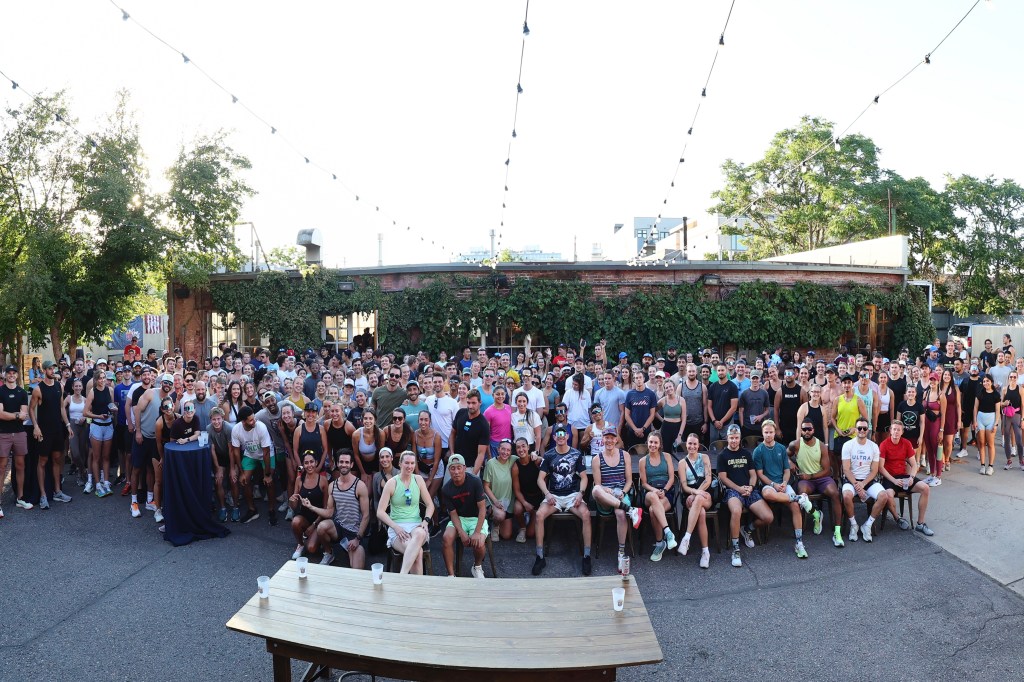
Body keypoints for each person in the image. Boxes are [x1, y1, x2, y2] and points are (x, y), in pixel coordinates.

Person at [532, 424, 592, 576]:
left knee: (586, 515)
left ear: (567, 437)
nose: (560, 437)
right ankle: (539, 557)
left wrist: (581, 493)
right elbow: (540, 479)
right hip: (555, 496)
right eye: (557, 435)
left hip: (572, 495)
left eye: (563, 434)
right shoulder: (549, 455)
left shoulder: (576, 454)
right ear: (554, 437)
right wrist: (547, 494)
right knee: (539, 515)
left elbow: (584, 477)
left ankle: (586, 556)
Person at [753, 420, 812, 558]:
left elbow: (787, 470)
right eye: (766, 432)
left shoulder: (781, 448)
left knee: (796, 507)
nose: (768, 435)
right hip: (769, 486)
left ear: (774, 433)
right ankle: (798, 497)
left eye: (771, 432)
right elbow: (760, 475)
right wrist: (774, 485)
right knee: (768, 493)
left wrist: (785, 483)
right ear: (762, 433)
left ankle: (799, 542)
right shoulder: (758, 451)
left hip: (783, 484)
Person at [718, 424, 773, 568]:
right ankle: (736, 549)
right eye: (731, 438)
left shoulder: (746, 454)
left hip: (749, 490)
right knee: (736, 511)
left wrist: (751, 487)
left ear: (740, 438)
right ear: (727, 438)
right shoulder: (722, 456)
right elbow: (723, 478)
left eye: (736, 438)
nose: (734, 441)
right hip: (733, 491)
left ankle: (747, 529)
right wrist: (739, 489)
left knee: (768, 517)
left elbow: (753, 474)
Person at [306, 451, 371, 567]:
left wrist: (357, 538)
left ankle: (352, 548)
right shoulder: (333, 486)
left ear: (351, 465)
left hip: (354, 532)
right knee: (321, 527)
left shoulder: (360, 485)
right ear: (337, 464)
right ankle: (329, 552)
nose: (344, 464)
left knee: (357, 570)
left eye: (347, 462)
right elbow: (330, 512)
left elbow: (366, 515)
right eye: (341, 462)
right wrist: (311, 507)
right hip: (339, 528)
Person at [789, 417, 845, 548]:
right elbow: (786, 454)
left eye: (809, 429)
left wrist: (811, 475)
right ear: (801, 431)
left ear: (813, 430)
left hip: (821, 477)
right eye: (804, 429)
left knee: (835, 494)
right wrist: (790, 462)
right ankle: (816, 514)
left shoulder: (821, 446)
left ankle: (837, 532)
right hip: (805, 480)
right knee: (802, 494)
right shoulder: (795, 444)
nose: (807, 431)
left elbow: (827, 470)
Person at [591, 426, 643, 564]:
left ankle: (621, 552)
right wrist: (606, 490)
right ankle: (631, 510)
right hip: (606, 496)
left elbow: (629, 480)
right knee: (596, 490)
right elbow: (598, 484)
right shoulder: (597, 459)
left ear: (616, 439)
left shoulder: (624, 455)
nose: (609, 440)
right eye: (606, 437)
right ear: (603, 439)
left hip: (620, 493)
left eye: (612, 438)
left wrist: (623, 492)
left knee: (620, 514)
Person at [376, 451, 434, 574]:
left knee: (421, 533)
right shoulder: (392, 483)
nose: (410, 466)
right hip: (398, 526)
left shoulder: (418, 480)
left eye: (412, 463)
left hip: (416, 524)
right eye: (406, 463)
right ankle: (415, 590)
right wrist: (396, 527)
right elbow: (380, 512)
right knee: (417, 552)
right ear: (400, 463)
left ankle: (402, 576)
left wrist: (426, 521)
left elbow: (430, 505)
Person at [31, 360, 73, 510]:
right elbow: (31, 409)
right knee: (42, 461)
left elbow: (62, 407)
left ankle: (57, 492)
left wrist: (67, 425)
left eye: (53, 368)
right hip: (44, 431)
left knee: (57, 459)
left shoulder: (59, 386)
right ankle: (43, 495)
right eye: (49, 368)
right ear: (44, 371)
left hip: (57, 430)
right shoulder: (38, 389)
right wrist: (35, 427)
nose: (52, 371)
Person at [878, 420, 933, 536]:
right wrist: (894, 480)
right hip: (890, 478)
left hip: (904, 476)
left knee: (926, 488)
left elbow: (914, 464)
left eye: (899, 430)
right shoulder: (884, 444)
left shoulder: (906, 443)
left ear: (902, 432)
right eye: (894, 429)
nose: (896, 432)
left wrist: (912, 477)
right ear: (890, 431)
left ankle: (920, 523)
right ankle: (898, 518)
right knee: (888, 495)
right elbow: (880, 468)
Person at [840, 417, 890, 542]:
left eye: (864, 428)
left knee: (884, 496)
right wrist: (857, 485)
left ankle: (867, 525)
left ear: (868, 430)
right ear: (855, 429)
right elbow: (846, 469)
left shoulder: (874, 447)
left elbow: (874, 470)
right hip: (851, 479)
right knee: (846, 495)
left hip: (868, 480)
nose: (862, 430)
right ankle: (853, 524)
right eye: (859, 428)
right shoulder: (847, 445)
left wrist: (863, 484)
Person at [441, 453, 489, 578]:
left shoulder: (475, 481)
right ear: (449, 470)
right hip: (460, 518)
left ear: (464, 468)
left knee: (479, 542)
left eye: (459, 467)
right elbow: (453, 513)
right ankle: (451, 575)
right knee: (447, 537)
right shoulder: (446, 489)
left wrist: (477, 532)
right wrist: (461, 532)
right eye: (452, 468)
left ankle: (477, 566)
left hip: (476, 517)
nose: (456, 471)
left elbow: (482, 509)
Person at [231, 405, 276, 525]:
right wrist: (241, 473)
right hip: (250, 454)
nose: (254, 420)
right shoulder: (236, 429)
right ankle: (252, 509)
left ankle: (271, 510)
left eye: (254, 417)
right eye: (250, 420)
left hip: (266, 454)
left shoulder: (260, 427)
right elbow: (235, 451)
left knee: (269, 481)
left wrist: (267, 474)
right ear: (243, 421)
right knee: (244, 480)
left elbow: (266, 452)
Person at [638, 430, 677, 561]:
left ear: (660, 444)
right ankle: (668, 532)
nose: (653, 445)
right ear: (647, 443)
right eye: (650, 442)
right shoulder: (643, 461)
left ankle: (660, 543)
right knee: (653, 499)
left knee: (653, 510)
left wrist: (665, 490)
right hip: (650, 492)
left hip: (666, 492)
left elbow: (672, 478)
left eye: (655, 442)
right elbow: (643, 483)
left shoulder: (666, 456)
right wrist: (654, 490)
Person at [676, 433, 712, 567]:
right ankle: (705, 552)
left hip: (705, 493)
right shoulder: (682, 463)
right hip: (690, 494)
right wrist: (695, 492)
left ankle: (687, 538)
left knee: (699, 502)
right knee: (701, 513)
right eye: (690, 443)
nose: (692, 446)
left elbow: (708, 479)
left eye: (695, 444)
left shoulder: (705, 458)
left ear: (698, 445)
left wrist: (698, 494)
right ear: (686, 445)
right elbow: (684, 486)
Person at [287, 451, 330, 560]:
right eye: (306, 463)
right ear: (303, 464)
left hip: (319, 519)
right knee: (295, 522)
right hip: (304, 517)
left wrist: (314, 525)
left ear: (316, 463)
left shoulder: (323, 480)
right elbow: (294, 506)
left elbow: (326, 508)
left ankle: (320, 541)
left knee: (311, 549)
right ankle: (300, 544)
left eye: (311, 462)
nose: (309, 465)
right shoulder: (299, 480)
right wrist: (291, 501)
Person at [0, 364, 31, 513]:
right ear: (5, 375)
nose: (11, 375)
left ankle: (20, 498)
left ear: (17, 375)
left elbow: (24, 415)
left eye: (14, 372)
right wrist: (16, 415)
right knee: (2, 467)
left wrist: (11, 415)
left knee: (20, 466)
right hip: (3, 434)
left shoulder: (22, 392)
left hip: (19, 433)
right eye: (9, 372)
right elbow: (0, 414)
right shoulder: (0, 391)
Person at [207, 407, 238, 522]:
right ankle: (223, 508)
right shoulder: (208, 429)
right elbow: (212, 450)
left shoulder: (229, 428)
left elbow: (231, 450)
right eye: (214, 419)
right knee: (218, 480)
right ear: (210, 420)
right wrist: (218, 468)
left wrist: (232, 469)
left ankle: (236, 507)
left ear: (223, 418)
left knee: (233, 479)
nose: (216, 422)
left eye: (219, 419)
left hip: (232, 455)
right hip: (219, 456)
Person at [449, 390, 490, 475]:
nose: (470, 406)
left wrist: (473, 475)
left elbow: (481, 454)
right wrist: (452, 453)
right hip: (454, 463)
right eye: (468, 402)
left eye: (474, 403)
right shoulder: (460, 413)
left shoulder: (484, 424)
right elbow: (452, 433)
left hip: (470, 467)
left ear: (480, 403)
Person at [483, 439, 516, 542]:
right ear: (498, 449)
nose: (505, 452)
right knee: (500, 515)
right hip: (494, 501)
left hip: (507, 503)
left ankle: (500, 521)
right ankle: (495, 524)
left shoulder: (513, 460)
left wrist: (535, 455)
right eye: (503, 449)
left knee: (506, 535)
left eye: (508, 450)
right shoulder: (491, 464)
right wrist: (495, 501)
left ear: (511, 452)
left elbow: (526, 458)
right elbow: (486, 486)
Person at [511, 437, 543, 543]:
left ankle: (534, 515)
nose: (521, 450)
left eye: (523, 446)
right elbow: (516, 490)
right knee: (517, 508)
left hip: (538, 496)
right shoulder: (516, 466)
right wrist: (525, 503)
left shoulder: (536, 461)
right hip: (524, 496)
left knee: (531, 534)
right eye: (518, 447)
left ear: (528, 447)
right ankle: (522, 527)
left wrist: (538, 456)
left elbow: (547, 466)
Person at [623, 369, 657, 450]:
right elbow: (626, 415)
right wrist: (635, 429)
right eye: (636, 378)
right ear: (634, 380)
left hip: (646, 431)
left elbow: (652, 414)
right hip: (632, 431)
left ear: (644, 378)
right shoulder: (630, 394)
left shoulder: (651, 394)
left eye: (640, 377)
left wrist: (643, 429)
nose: (638, 380)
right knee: (633, 455)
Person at [974, 375, 999, 475]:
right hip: (980, 418)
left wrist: (996, 424)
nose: (985, 383)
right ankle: (983, 465)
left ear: (991, 382)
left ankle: (990, 466)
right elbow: (975, 408)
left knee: (990, 443)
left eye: (987, 381)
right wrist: (975, 421)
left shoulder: (996, 395)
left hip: (991, 419)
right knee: (981, 443)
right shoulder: (980, 393)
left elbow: (998, 411)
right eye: (984, 381)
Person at [707, 364, 739, 443]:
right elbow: (709, 406)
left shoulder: (732, 387)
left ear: (727, 371)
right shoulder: (712, 387)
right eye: (719, 370)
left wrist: (721, 421)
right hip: (713, 424)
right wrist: (714, 421)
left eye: (722, 370)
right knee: (713, 446)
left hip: (727, 423)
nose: (720, 372)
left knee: (728, 445)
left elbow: (734, 407)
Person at [1000, 371, 1024, 471]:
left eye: (1015, 377)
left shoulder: (1021, 389)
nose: (1013, 379)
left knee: (1018, 439)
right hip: (1006, 416)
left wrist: (1023, 419)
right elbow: (1000, 403)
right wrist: (1004, 403)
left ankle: (1021, 460)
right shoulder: (1005, 389)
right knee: (1006, 439)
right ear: (1008, 377)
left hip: (1017, 415)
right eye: (1011, 377)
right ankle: (1009, 460)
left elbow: (1023, 405)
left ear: (1017, 378)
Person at [738, 370, 771, 439]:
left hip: (760, 427)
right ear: (750, 379)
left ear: (760, 379)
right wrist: (742, 426)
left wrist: (761, 416)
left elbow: (767, 410)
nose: (755, 380)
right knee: (747, 447)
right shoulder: (744, 393)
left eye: (757, 378)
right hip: (747, 427)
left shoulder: (764, 393)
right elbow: (741, 411)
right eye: (753, 378)